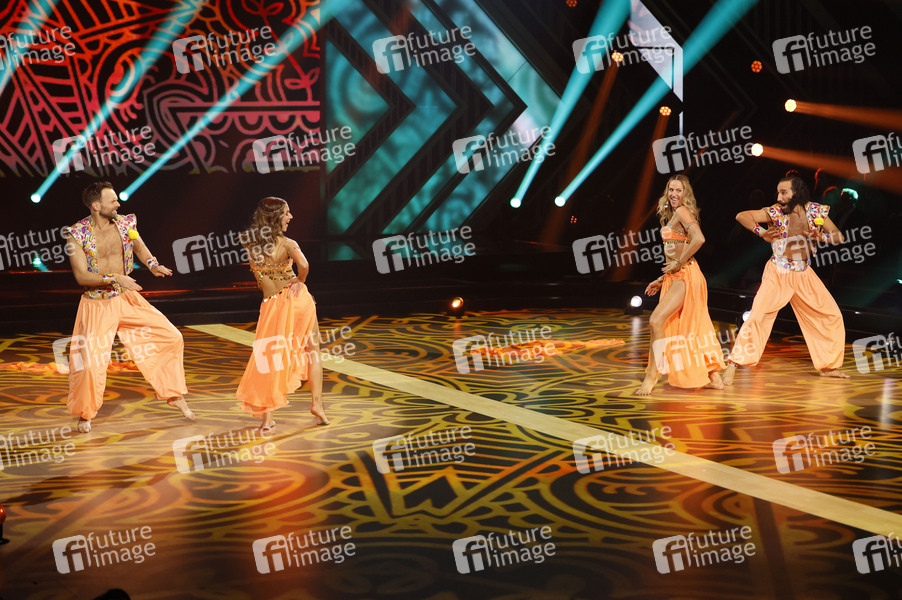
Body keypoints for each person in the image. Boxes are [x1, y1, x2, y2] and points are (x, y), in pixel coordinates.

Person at [64, 181, 195, 433]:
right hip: (97, 304)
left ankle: (173, 393)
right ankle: (85, 413)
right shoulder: (76, 235)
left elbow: (139, 246)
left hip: (126, 298)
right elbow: (81, 276)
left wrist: (152, 264)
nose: (118, 204)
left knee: (171, 337)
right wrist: (116, 278)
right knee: (90, 364)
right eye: (113, 201)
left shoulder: (125, 224)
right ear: (96, 206)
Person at [723, 175, 848, 384]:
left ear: (796, 193)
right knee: (757, 317)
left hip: (803, 273)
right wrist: (761, 232)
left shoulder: (815, 211)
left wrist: (822, 237)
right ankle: (733, 364)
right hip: (778, 271)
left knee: (831, 315)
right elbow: (742, 216)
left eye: (784, 192)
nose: (779, 197)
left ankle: (828, 367)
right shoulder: (775, 212)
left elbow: (839, 236)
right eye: (778, 192)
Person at [236, 197, 328, 431]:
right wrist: (301, 280)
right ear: (276, 216)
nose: (290, 217)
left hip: (272, 304)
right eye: (287, 213)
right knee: (313, 351)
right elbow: (304, 265)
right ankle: (317, 405)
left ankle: (267, 417)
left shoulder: (250, 244)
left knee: (269, 356)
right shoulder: (288, 244)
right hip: (297, 300)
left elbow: (260, 277)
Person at [636, 174, 725, 395]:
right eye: (671, 189)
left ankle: (652, 375)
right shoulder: (674, 215)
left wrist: (678, 263)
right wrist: (661, 278)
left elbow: (699, 239)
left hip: (685, 275)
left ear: (685, 193)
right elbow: (676, 249)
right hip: (675, 276)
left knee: (656, 320)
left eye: (679, 190)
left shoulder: (682, 211)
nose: (674, 194)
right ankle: (714, 377)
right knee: (692, 327)